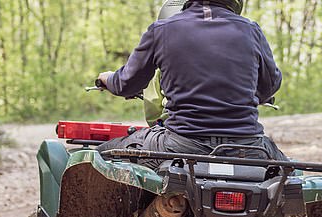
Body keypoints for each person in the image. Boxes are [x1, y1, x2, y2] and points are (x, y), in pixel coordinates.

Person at [96, 0, 287, 169]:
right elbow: (270, 86)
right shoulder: (251, 30)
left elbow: (126, 84)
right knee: (292, 176)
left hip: (181, 145)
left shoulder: (162, 30)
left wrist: (107, 78)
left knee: (99, 156)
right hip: (247, 147)